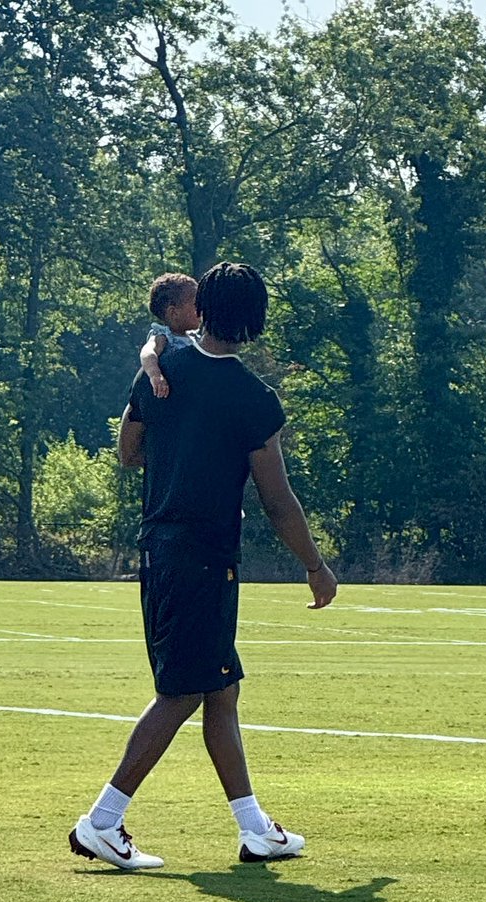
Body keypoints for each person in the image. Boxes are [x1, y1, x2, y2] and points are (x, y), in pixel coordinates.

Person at [69, 261, 338, 871]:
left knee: (221, 689)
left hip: (160, 547)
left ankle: (254, 829)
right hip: (205, 558)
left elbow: (128, 452)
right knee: (184, 691)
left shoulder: (162, 367)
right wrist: (315, 565)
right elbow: (277, 498)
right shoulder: (253, 398)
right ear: (256, 321)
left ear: (204, 309)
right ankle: (101, 822)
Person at [139, 272, 198, 399]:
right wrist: (155, 375)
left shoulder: (196, 338)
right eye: (196, 304)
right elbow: (148, 352)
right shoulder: (163, 336)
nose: (201, 308)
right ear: (174, 313)